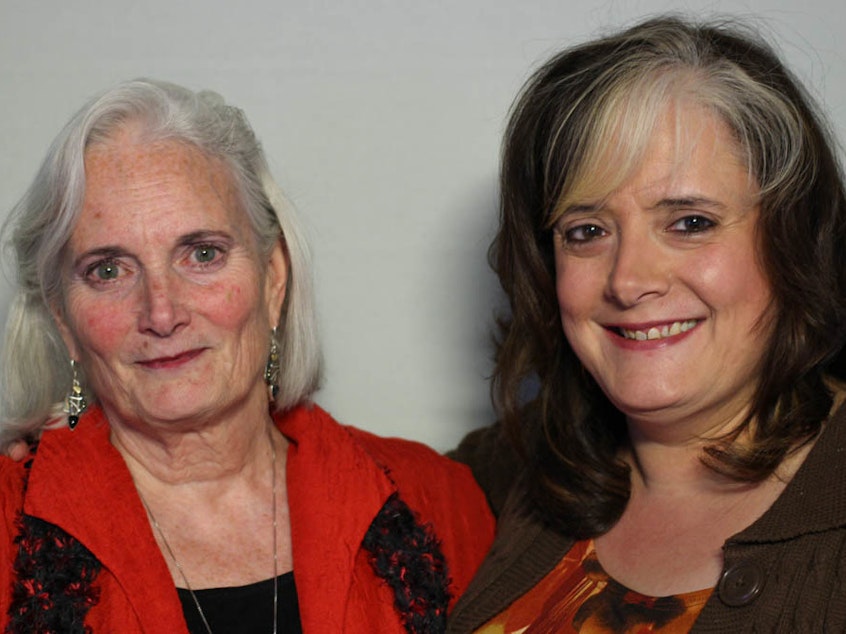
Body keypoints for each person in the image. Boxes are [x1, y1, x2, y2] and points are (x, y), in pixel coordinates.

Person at [0, 78, 495, 633]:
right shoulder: (7, 528)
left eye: (203, 254)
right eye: (109, 270)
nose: (161, 315)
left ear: (274, 279)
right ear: (64, 319)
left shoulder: (438, 500)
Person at [447, 15, 846, 633]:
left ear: (793, 239)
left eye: (689, 222)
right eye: (587, 231)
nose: (628, 280)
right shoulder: (501, 475)